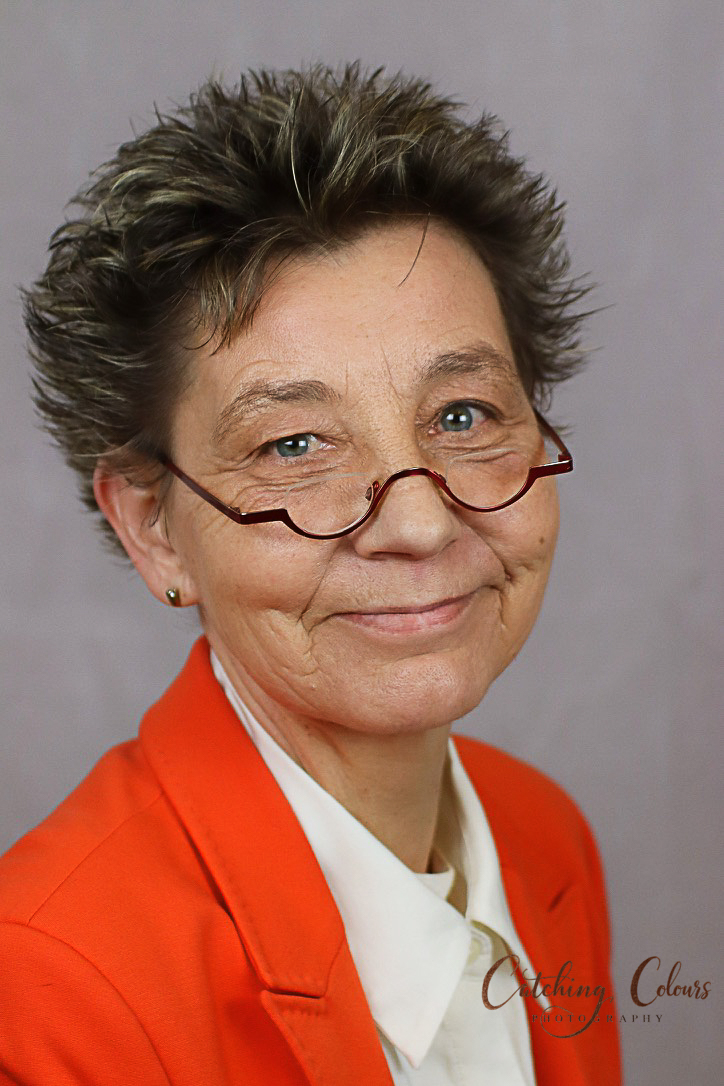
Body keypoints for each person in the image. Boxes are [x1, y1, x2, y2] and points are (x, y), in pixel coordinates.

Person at [0, 64, 621, 1085]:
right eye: (294, 445)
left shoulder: (544, 838)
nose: (418, 523)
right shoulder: (46, 989)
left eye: (462, 415)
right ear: (155, 527)